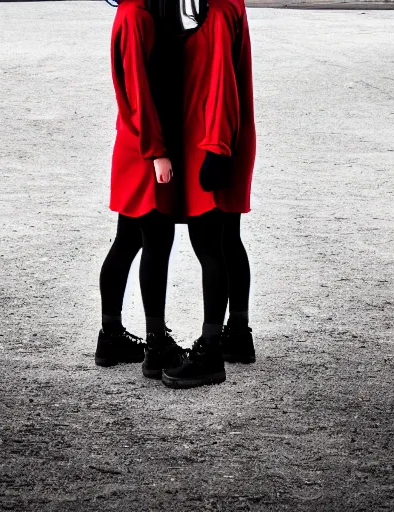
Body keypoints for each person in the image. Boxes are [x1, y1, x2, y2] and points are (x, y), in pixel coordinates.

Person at [162, 0, 256, 388]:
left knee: (209, 242)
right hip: (221, 136)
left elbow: (219, 81)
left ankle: (211, 349)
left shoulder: (215, 8)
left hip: (212, 139)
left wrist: (216, 148)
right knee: (227, 238)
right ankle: (236, 333)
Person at [95, 0, 183, 370]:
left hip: (134, 143)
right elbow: (139, 90)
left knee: (129, 238)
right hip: (143, 147)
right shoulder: (136, 15)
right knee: (156, 240)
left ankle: (111, 337)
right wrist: (157, 151)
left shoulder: (135, 12)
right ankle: (156, 342)